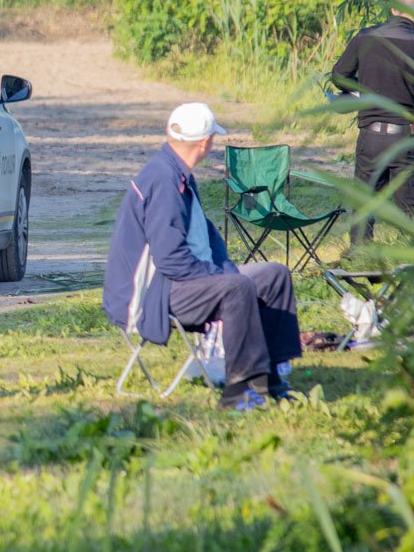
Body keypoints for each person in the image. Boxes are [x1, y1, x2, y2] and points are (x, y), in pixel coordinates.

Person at [102, 103, 303, 410]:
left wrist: (224, 269)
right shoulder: (164, 180)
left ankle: (272, 376)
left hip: (181, 278)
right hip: (155, 292)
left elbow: (208, 235)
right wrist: (221, 277)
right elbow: (171, 260)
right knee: (236, 288)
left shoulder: (177, 171)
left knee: (274, 275)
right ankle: (240, 388)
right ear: (205, 142)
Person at [332, 0, 414, 243]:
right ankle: (412, 264)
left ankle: (359, 259)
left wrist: (360, 93)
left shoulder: (365, 37)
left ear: (393, 9)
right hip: (405, 138)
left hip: (370, 137)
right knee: (411, 211)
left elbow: (338, 76)